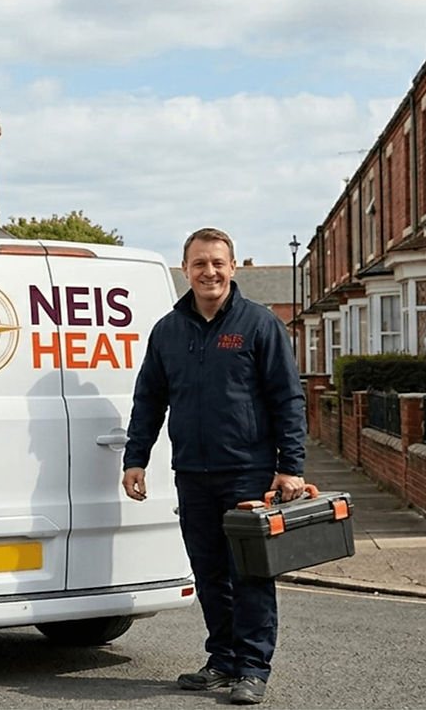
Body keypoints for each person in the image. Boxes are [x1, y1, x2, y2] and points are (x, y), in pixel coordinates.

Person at [121, 227, 306, 705]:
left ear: (232, 266)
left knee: (250, 575)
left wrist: (291, 466)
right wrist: (135, 458)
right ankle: (222, 660)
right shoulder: (167, 330)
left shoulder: (260, 324)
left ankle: (252, 667)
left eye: (218, 263)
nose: (209, 272)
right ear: (185, 269)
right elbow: (149, 399)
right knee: (208, 573)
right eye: (200, 263)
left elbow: (288, 398)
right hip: (193, 473)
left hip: (248, 471)